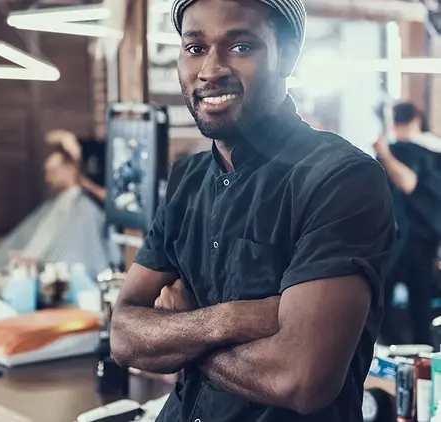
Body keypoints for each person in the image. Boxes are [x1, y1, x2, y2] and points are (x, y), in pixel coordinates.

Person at [110, 0, 396, 421]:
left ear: (288, 55)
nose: (210, 70)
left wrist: (178, 339)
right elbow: (122, 334)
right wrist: (226, 321)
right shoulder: (187, 179)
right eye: (195, 48)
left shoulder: (341, 179)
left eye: (241, 46)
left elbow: (300, 380)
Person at [0, 132, 116, 279]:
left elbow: (72, 257)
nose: (47, 178)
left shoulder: (86, 208)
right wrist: (67, 138)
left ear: (70, 170)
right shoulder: (54, 204)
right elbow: (50, 136)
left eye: (52, 172)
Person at [375, 102, 441, 345]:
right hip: (407, 240)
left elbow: (408, 183)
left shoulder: (418, 152)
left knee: (412, 307)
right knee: (403, 305)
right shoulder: (432, 151)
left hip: (413, 242)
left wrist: (384, 153)